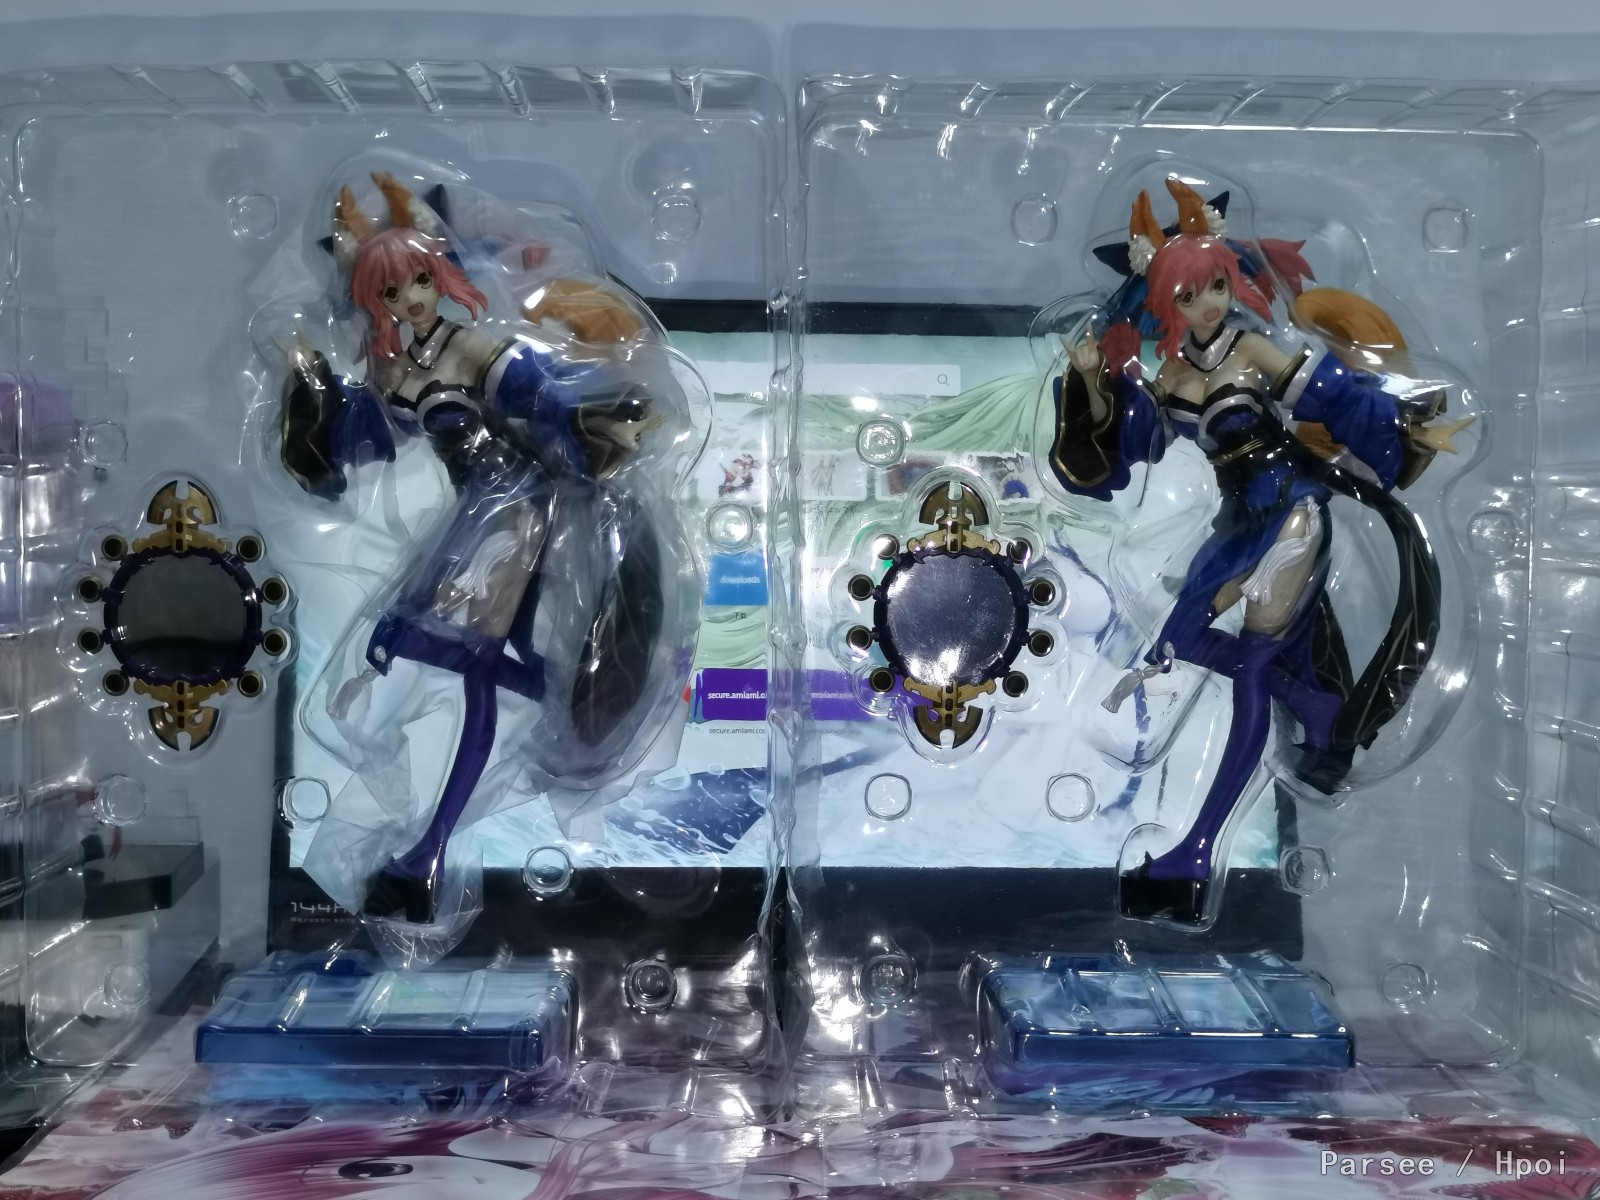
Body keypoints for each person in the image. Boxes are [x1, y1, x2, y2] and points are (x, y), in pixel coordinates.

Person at [1050, 177, 1472, 925]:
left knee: (1247, 666)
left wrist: (1402, 423)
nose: (1209, 304)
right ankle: (1316, 704)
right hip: (1237, 524)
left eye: (1217, 286)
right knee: (1181, 642)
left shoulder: (1250, 350)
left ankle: (1194, 852)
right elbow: (1131, 450)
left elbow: (1332, 395)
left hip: (1291, 513)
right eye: (1190, 295)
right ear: (1166, 303)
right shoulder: (1171, 377)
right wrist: (1091, 384)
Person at [281, 172, 672, 924]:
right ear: (374, 301)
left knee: (457, 665)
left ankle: (425, 850)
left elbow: (542, 393)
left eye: (421, 281)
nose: (411, 300)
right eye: (391, 292)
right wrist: (313, 404)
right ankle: (430, 846)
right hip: (476, 517)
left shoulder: (473, 348)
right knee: (460, 670)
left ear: (441, 276)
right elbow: (367, 436)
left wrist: (596, 411)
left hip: (512, 518)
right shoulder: (395, 369)